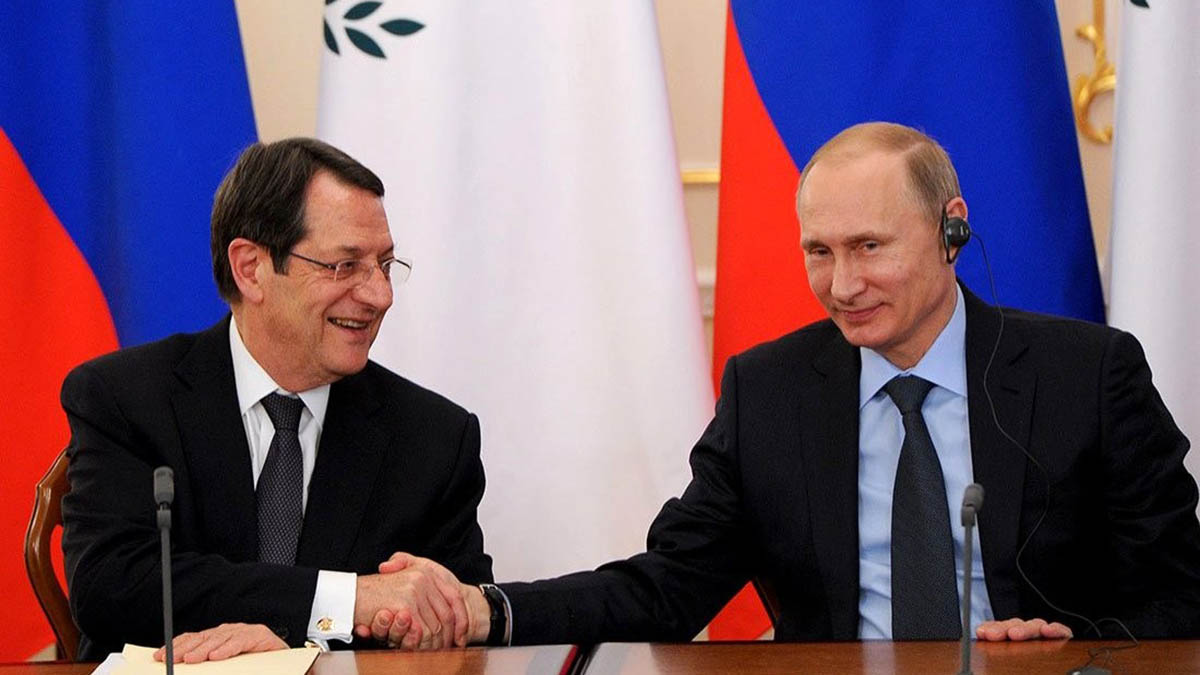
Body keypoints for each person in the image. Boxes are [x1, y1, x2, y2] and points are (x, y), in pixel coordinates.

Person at [379, 121, 1200, 647]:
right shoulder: (770, 391)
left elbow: (1180, 592)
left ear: (952, 229)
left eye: (870, 246)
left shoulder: (1087, 374)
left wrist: (1078, 648)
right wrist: (490, 609)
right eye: (820, 251)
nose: (843, 284)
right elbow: (668, 587)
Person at [60, 138, 491, 662]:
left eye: (384, 264)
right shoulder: (126, 399)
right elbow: (113, 587)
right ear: (251, 268)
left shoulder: (433, 440)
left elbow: (455, 629)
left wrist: (299, 640)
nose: (381, 295)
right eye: (345, 266)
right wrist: (345, 602)